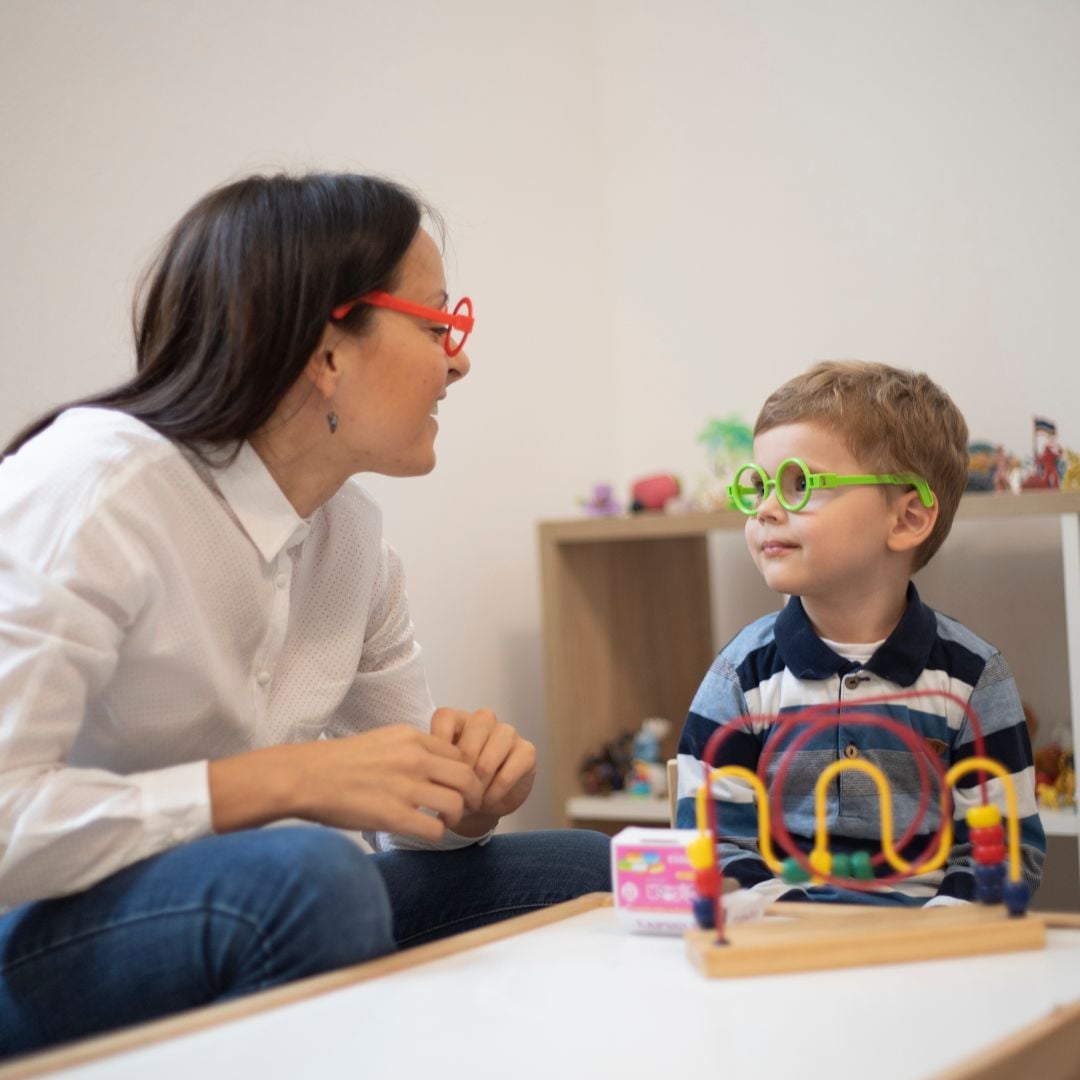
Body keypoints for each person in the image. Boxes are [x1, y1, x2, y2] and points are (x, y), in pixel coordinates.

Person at [0, 172, 610, 1058]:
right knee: (312, 878)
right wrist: (283, 782)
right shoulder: (95, 490)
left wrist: (470, 798)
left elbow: (411, 818)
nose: (459, 360)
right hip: (38, 932)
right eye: (436, 324)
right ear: (327, 353)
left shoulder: (351, 538)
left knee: (585, 870)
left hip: (274, 899)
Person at [675, 360, 1044, 906]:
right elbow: (712, 841)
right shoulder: (740, 676)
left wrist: (945, 924)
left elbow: (1007, 848)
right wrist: (787, 919)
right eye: (760, 486)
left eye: (801, 484)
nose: (767, 510)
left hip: (928, 939)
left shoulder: (972, 678)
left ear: (907, 519)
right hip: (780, 934)